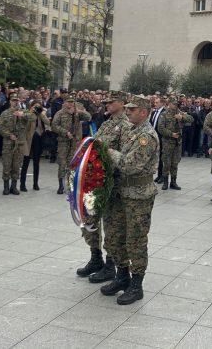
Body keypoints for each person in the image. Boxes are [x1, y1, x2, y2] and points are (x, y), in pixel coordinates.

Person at [101, 95, 159, 305]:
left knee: (135, 240)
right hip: (121, 193)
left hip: (138, 196)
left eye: (132, 110)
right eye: (127, 109)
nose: (128, 112)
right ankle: (122, 276)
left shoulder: (146, 136)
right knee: (115, 236)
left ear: (143, 112)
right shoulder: (133, 132)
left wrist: (109, 152)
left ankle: (137, 285)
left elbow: (129, 165)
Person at [77, 91, 131, 283]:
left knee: (112, 226)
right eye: (106, 101)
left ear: (123, 103)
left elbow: (125, 157)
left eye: (111, 102)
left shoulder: (127, 126)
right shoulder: (107, 123)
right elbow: (95, 146)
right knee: (90, 220)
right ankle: (95, 257)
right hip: (97, 181)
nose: (107, 104)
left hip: (114, 184)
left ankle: (110, 265)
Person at [51, 98, 91, 194]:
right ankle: (61, 185)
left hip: (74, 142)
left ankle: (70, 184)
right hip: (63, 142)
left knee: (72, 163)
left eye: (72, 102)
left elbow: (89, 117)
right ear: (64, 103)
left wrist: (80, 111)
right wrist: (65, 132)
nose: (70, 104)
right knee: (62, 163)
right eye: (68, 102)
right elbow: (54, 126)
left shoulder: (77, 113)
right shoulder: (59, 113)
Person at [0, 93, 34, 195]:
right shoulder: (5, 113)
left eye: (17, 100)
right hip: (8, 143)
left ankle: (14, 187)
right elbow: (0, 127)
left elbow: (33, 117)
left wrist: (23, 114)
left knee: (16, 165)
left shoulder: (23, 112)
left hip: (19, 143)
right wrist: (9, 135)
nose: (15, 102)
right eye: (13, 100)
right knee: (7, 165)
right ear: (10, 101)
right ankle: (6, 187)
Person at [156, 97, 193, 190]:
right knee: (166, 163)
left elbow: (191, 119)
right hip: (167, 142)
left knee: (175, 163)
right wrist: (171, 134)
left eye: (176, 104)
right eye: (174, 104)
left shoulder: (179, 112)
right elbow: (160, 128)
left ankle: (173, 182)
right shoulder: (163, 114)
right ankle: (165, 182)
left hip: (178, 143)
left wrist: (182, 117)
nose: (175, 106)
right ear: (169, 104)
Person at [20, 100, 49, 192]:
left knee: (37, 162)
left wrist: (41, 113)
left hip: (38, 139)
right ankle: (22, 184)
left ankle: (35, 183)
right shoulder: (27, 113)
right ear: (31, 107)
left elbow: (48, 122)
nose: (36, 108)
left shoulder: (40, 115)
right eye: (35, 107)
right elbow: (25, 122)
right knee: (26, 162)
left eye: (38, 107)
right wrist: (31, 112)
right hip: (28, 140)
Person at [149, 96, 166, 184]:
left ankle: (162, 176)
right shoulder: (154, 112)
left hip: (162, 138)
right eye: (154, 102)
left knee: (162, 158)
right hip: (154, 137)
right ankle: (159, 176)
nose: (155, 104)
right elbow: (151, 124)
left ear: (162, 103)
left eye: (157, 102)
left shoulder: (165, 112)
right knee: (156, 157)